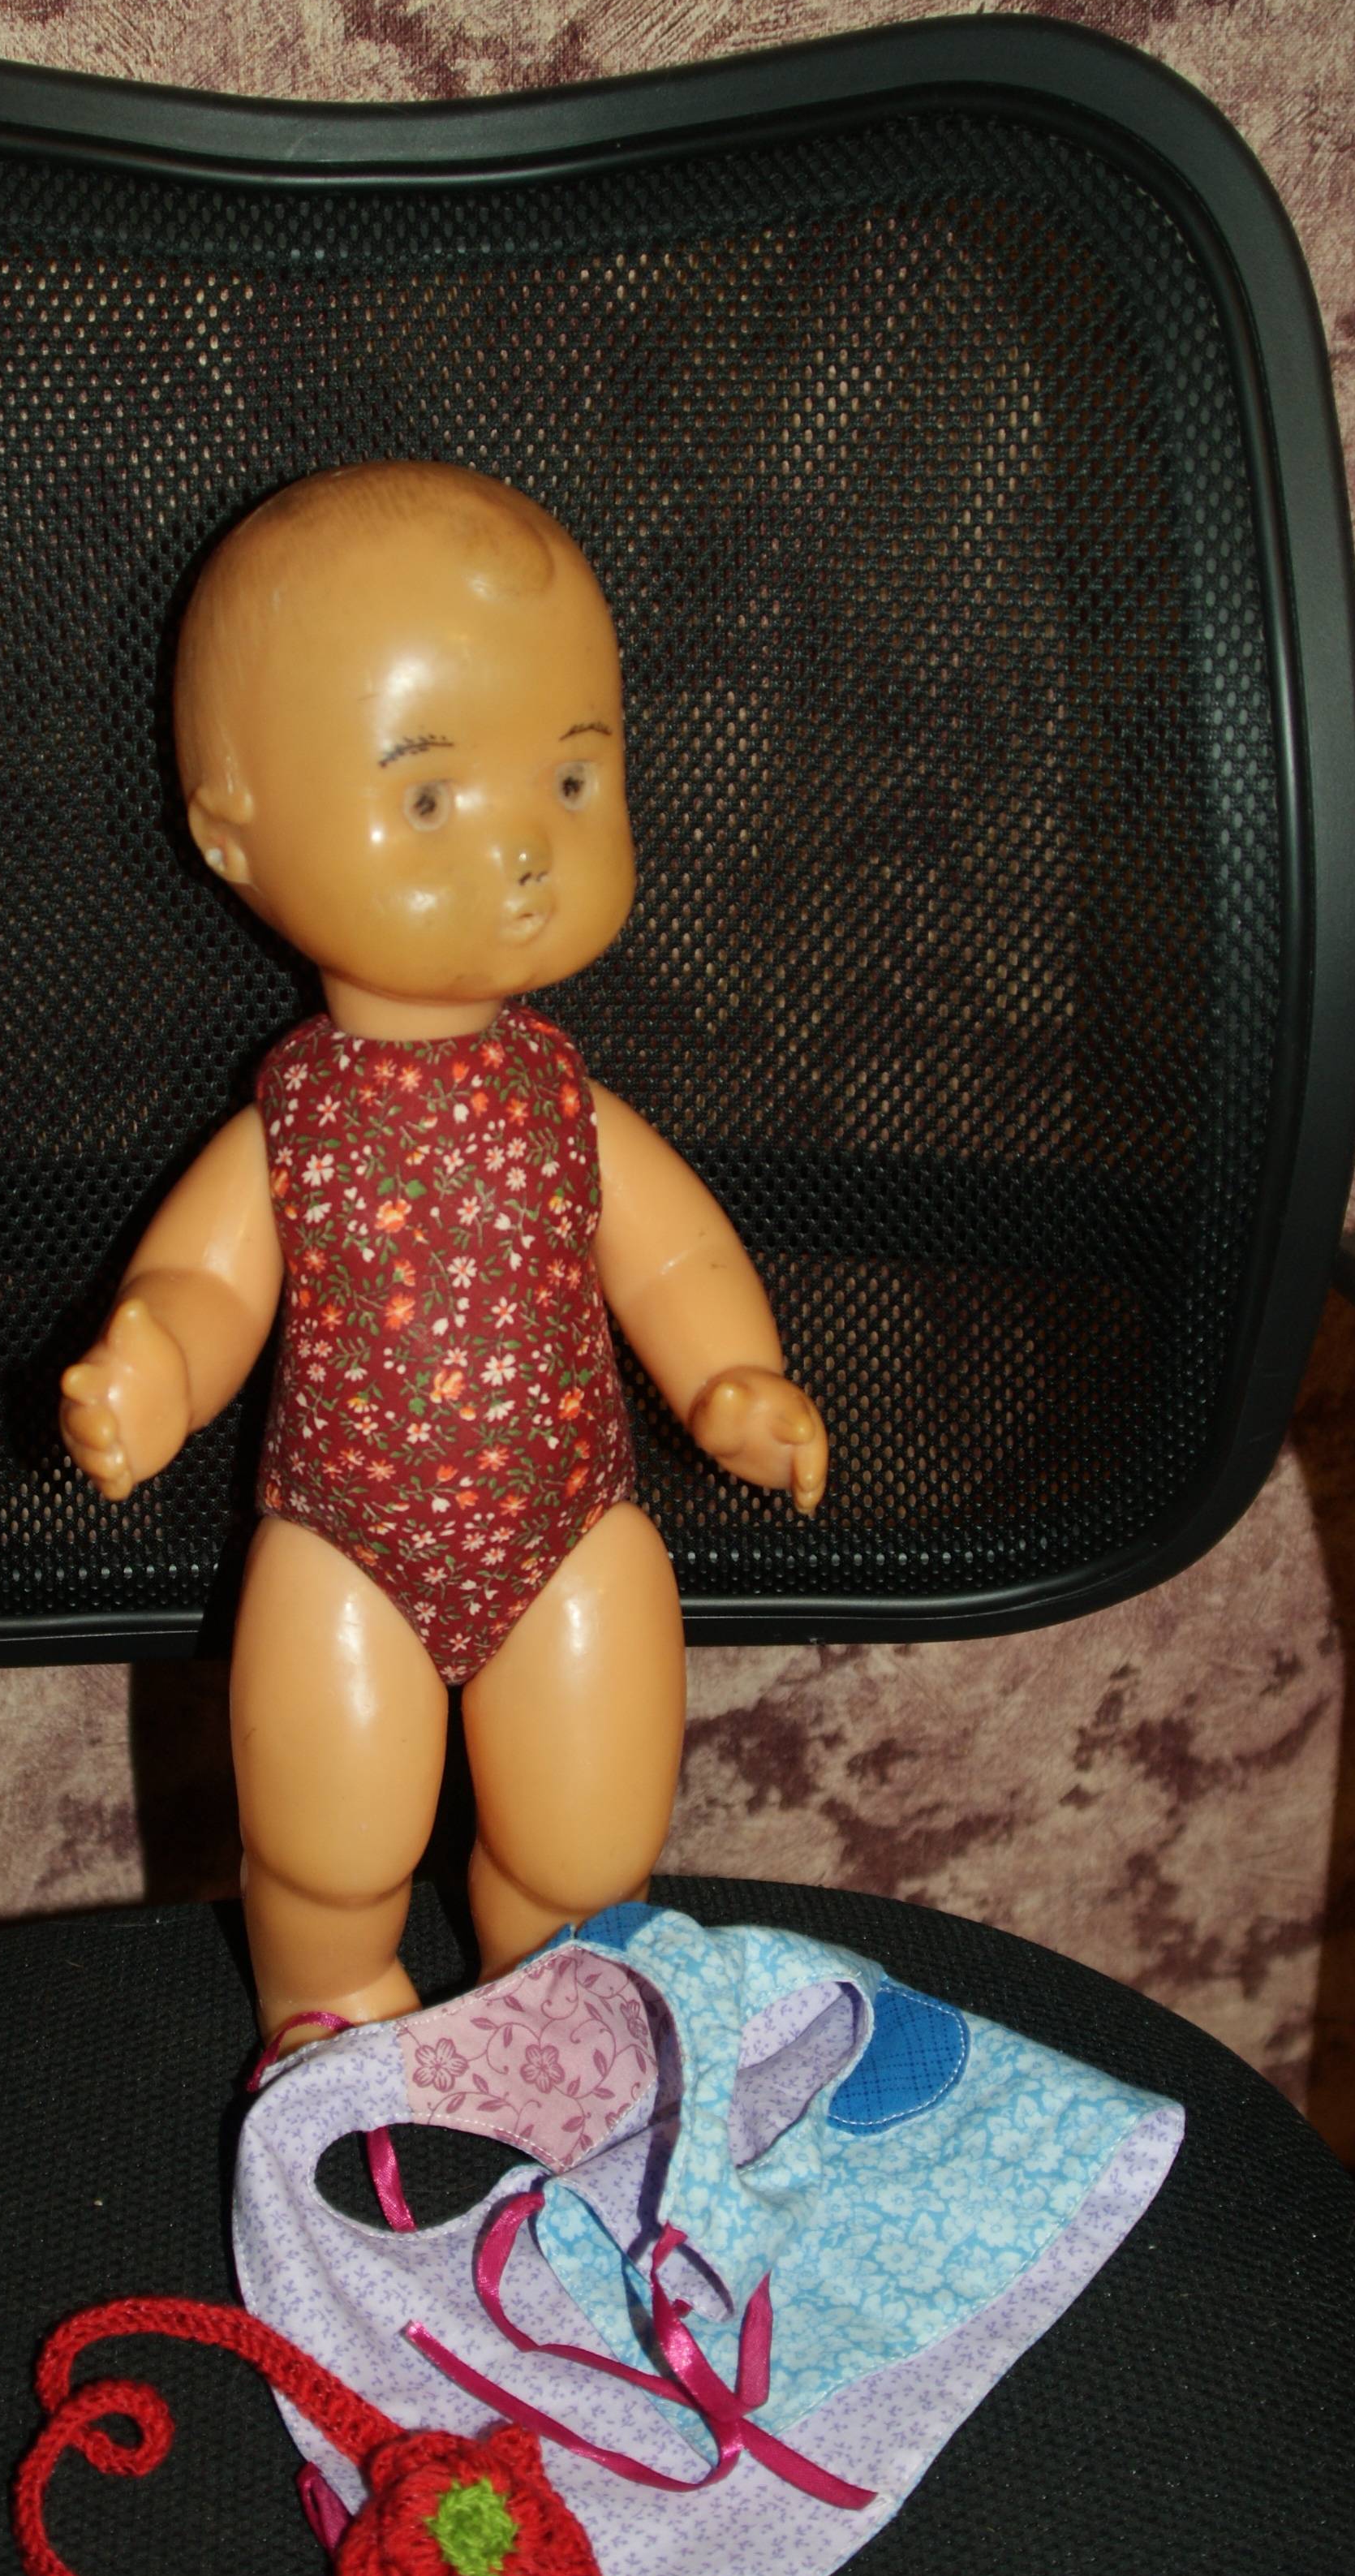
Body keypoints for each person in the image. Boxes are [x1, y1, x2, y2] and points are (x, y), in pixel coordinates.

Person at [59, 462, 825, 2043]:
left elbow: (669, 1257)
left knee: (585, 1847)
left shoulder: (563, 1101)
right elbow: (210, 1279)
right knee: (327, 1848)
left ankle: (558, 2006)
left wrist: (732, 1374)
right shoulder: (295, 1120)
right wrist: (154, 1367)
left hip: (573, 1525)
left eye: (574, 779)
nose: (526, 848)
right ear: (232, 836)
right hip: (345, 1542)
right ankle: (328, 2001)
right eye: (429, 799)